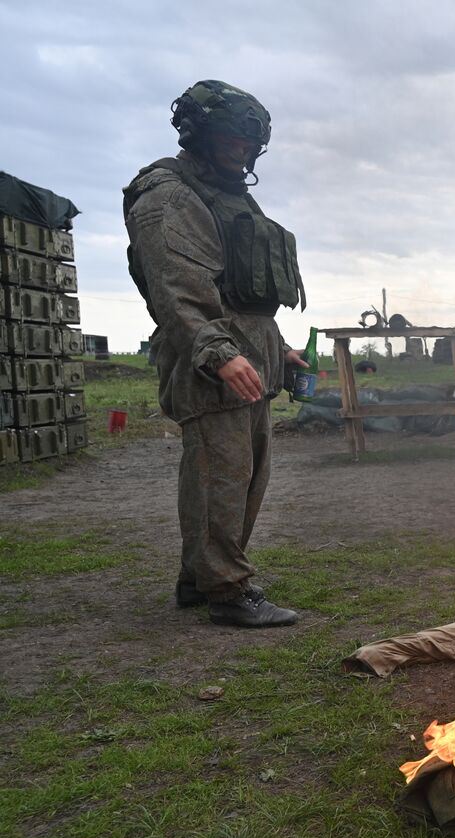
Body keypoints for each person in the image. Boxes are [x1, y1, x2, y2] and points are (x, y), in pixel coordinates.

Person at [123, 80, 308, 627]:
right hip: (210, 366)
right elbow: (177, 293)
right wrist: (219, 353)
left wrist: (280, 351)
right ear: (198, 133)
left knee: (243, 479)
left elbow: (245, 296)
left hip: (246, 360)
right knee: (219, 479)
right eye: (231, 140)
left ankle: (198, 579)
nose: (243, 152)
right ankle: (227, 591)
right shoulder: (169, 195)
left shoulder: (227, 194)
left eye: (251, 145)